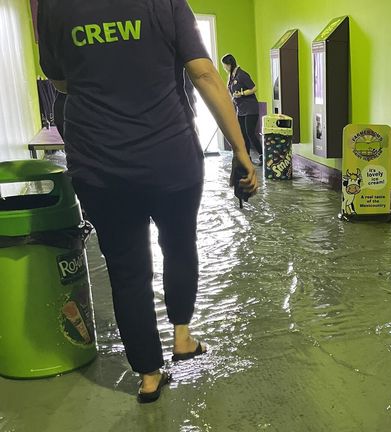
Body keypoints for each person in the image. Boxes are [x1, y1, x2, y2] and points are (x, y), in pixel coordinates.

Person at [37, 0, 258, 403]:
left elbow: (61, 82)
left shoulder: (54, 6)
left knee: (126, 271)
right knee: (178, 247)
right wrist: (241, 149)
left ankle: (149, 374)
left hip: (100, 165)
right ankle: (183, 337)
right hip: (170, 157)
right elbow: (204, 73)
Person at [221, 54, 263, 165]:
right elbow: (229, 92)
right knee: (242, 134)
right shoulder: (231, 77)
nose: (224, 68)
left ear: (230, 64)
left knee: (250, 133)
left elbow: (254, 88)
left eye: (225, 66)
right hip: (241, 109)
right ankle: (246, 157)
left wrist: (242, 93)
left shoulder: (242, 75)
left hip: (250, 108)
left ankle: (262, 155)